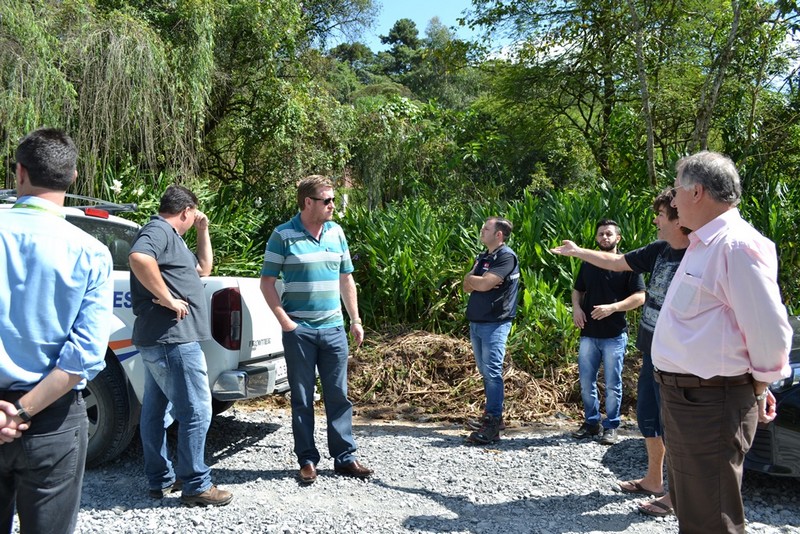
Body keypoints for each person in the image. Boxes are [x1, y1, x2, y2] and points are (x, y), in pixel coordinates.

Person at [652, 151, 791, 533]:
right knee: (695, 510)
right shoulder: (705, 243)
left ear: (696, 192)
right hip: (691, 400)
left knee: (711, 519)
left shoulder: (736, 246)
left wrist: (759, 386)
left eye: (677, 190)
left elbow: (769, 331)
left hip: (710, 403)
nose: (673, 199)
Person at [0, 128, 113, 533]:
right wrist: (22, 411)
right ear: (73, 178)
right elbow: (83, 357)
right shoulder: (92, 253)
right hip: (53, 419)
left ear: (19, 173)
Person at [551, 190, 689, 516]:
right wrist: (577, 252)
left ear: (679, 219)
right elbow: (614, 261)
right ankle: (654, 480)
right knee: (649, 417)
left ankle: (677, 494)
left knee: (678, 424)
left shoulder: (700, 253)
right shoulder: (659, 249)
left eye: (660, 215)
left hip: (681, 355)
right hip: (652, 350)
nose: (655, 220)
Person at [260, 174, 372, 484]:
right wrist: (286, 322)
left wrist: (356, 319)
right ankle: (307, 459)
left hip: (334, 329)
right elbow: (266, 283)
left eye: (333, 199)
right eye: (327, 200)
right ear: (308, 203)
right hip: (300, 332)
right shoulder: (282, 235)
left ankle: (345, 457)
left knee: (338, 395)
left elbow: (346, 278)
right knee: (302, 397)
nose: (333, 205)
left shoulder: (336, 232)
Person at [129, 184, 232, 507]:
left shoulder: (174, 240)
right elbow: (138, 257)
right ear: (185, 210)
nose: (194, 219)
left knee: (156, 411)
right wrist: (167, 298)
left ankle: (159, 480)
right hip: (173, 339)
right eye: (194, 215)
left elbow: (203, 269)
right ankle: (196, 485)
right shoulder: (158, 230)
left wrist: (203, 232)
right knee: (197, 410)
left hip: (162, 340)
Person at [568, 219, 646, 445]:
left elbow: (640, 297)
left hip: (614, 335)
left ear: (618, 238)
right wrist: (576, 308)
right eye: (601, 234)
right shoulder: (588, 263)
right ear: (596, 238)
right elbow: (577, 290)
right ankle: (591, 422)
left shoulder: (628, 264)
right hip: (588, 333)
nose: (604, 237)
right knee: (586, 382)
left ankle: (611, 425)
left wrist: (613, 307)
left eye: (609, 234)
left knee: (613, 383)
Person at [462, 217, 520, 444]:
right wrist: (475, 279)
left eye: (486, 228)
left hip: (495, 323)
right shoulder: (484, 257)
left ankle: (493, 424)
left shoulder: (506, 257)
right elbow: (467, 285)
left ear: (499, 234)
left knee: (493, 373)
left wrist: (479, 281)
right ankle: (492, 415)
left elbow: (484, 285)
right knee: (485, 372)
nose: (481, 231)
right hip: (477, 321)